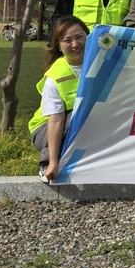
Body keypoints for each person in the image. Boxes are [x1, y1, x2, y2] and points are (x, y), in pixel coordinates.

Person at [28, 16, 89, 183]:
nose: (75, 44)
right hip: (46, 128)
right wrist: (53, 162)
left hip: (74, 122)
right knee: (80, 115)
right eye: (67, 40)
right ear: (59, 46)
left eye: (79, 37)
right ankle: (46, 164)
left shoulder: (100, 63)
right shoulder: (55, 76)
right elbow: (55, 120)